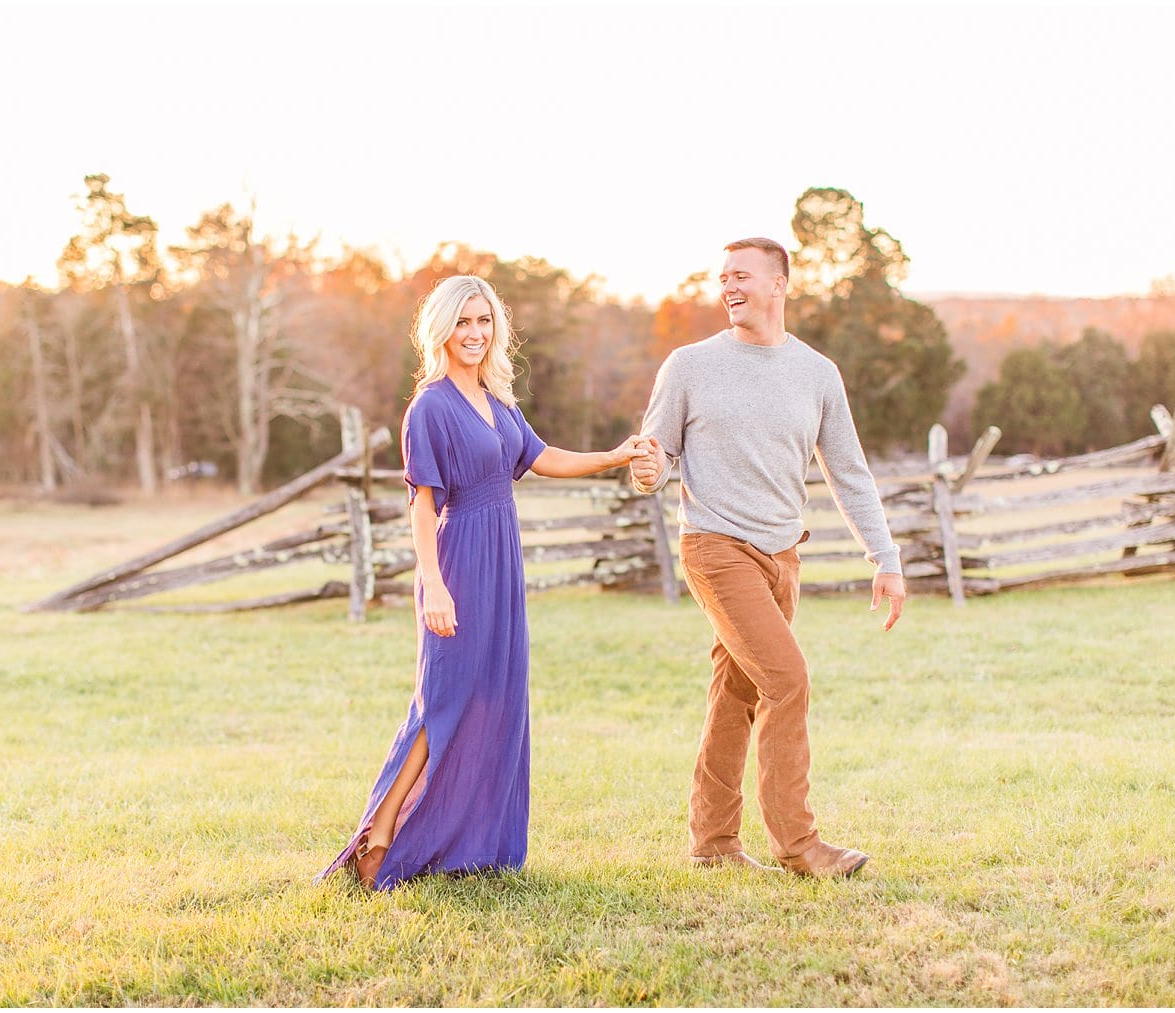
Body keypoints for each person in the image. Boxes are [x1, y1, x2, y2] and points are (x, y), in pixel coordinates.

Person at [321, 274, 647, 891]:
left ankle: (471, 846)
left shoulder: (499, 402)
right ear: (441, 329)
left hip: (503, 562)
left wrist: (615, 455)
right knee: (442, 701)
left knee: (496, 702)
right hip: (458, 563)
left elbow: (542, 457)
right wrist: (434, 585)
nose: (475, 333)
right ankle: (380, 835)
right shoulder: (430, 407)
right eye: (463, 322)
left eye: (484, 321)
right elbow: (421, 505)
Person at [629, 237, 906, 878]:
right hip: (715, 545)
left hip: (782, 555)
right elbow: (657, 458)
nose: (729, 286)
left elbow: (850, 472)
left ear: (780, 284)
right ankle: (800, 846)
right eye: (723, 277)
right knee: (788, 680)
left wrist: (884, 558)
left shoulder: (817, 374)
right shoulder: (689, 366)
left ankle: (714, 843)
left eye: (742, 276)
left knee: (738, 692)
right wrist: (646, 469)